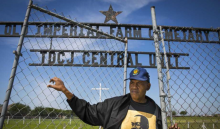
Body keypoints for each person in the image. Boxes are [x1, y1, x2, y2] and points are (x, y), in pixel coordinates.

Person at [48, 67, 180, 129]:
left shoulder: (156, 111)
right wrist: (66, 91)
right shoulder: (115, 104)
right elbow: (88, 112)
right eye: (132, 82)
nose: (134, 86)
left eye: (139, 83)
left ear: (148, 86)